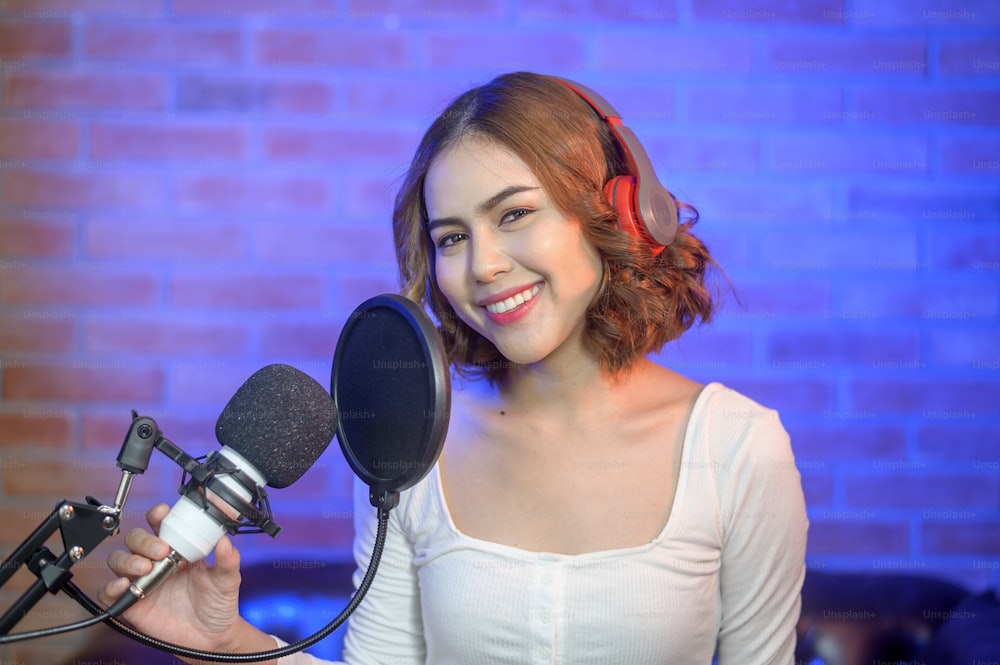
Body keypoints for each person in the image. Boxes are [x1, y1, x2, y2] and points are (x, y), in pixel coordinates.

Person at [101, 71, 809, 664]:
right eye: (452, 237)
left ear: (615, 214)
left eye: (513, 215)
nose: (484, 265)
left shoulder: (738, 448)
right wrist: (225, 639)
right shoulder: (411, 444)